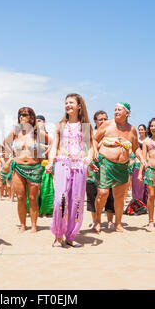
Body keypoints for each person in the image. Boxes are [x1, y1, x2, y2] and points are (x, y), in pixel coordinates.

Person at [46, 93, 96, 247]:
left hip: (80, 167)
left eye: (71, 102)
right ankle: (58, 236)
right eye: (66, 102)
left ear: (79, 106)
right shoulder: (60, 125)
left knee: (77, 202)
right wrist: (50, 162)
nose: (68, 105)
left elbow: (92, 147)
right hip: (62, 164)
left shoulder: (85, 126)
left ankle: (70, 236)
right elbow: (54, 146)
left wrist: (88, 159)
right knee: (60, 201)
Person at [93, 102, 145, 233]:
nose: (116, 112)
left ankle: (118, 224)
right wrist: (94, 152)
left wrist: (142, 158)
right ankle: (97, 221)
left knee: (120, 196)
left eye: (119, 110)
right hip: (105, 163)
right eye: (115, 109)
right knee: (103, 193)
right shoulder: (107, 125)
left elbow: (135, 147)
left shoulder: (131, 129)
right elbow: (94, 139)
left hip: (122, 166)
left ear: (127, 113)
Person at [4, 107, 49, 233]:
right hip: (18, 168)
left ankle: (34, 225)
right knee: (20, 197)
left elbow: (53, 142)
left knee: (33, 198)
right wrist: (11, 156)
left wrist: (43, 154)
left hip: (34, 168)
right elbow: (5, 143)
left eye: (24, 114)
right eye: (20, 115)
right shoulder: (16, 132)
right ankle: (23, 225)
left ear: (31, 117)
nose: (21, 117)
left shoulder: (37, 133)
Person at [86, 110, 114, 230]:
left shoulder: (111, 133)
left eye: (105, 119)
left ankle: (110, 221)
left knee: (109, 196)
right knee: (92, 195)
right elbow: (87, 150)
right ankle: (95, 221)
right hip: (92, 168)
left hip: (108, 169)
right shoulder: (90, 134)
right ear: (95, 121)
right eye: (100, 119)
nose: (103, 121)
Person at [138, 118, 155, 230]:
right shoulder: (146, 142)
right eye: (152, 126)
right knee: (151, 196)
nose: (153, 128)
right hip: (150, 170)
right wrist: (140, 172)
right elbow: (143, 158)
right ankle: (151, 221)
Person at [35, 115, 54, 217]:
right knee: (34, 189)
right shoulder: (32, 135)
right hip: (34, 164)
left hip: (46, 164)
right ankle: (35, 210)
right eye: (36, 121)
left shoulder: (48, 135)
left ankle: (45, 211)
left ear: (44, 122)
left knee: (46, 189)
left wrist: (45, 149)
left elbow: (54, 144)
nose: (38, 123)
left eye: (40, 121)